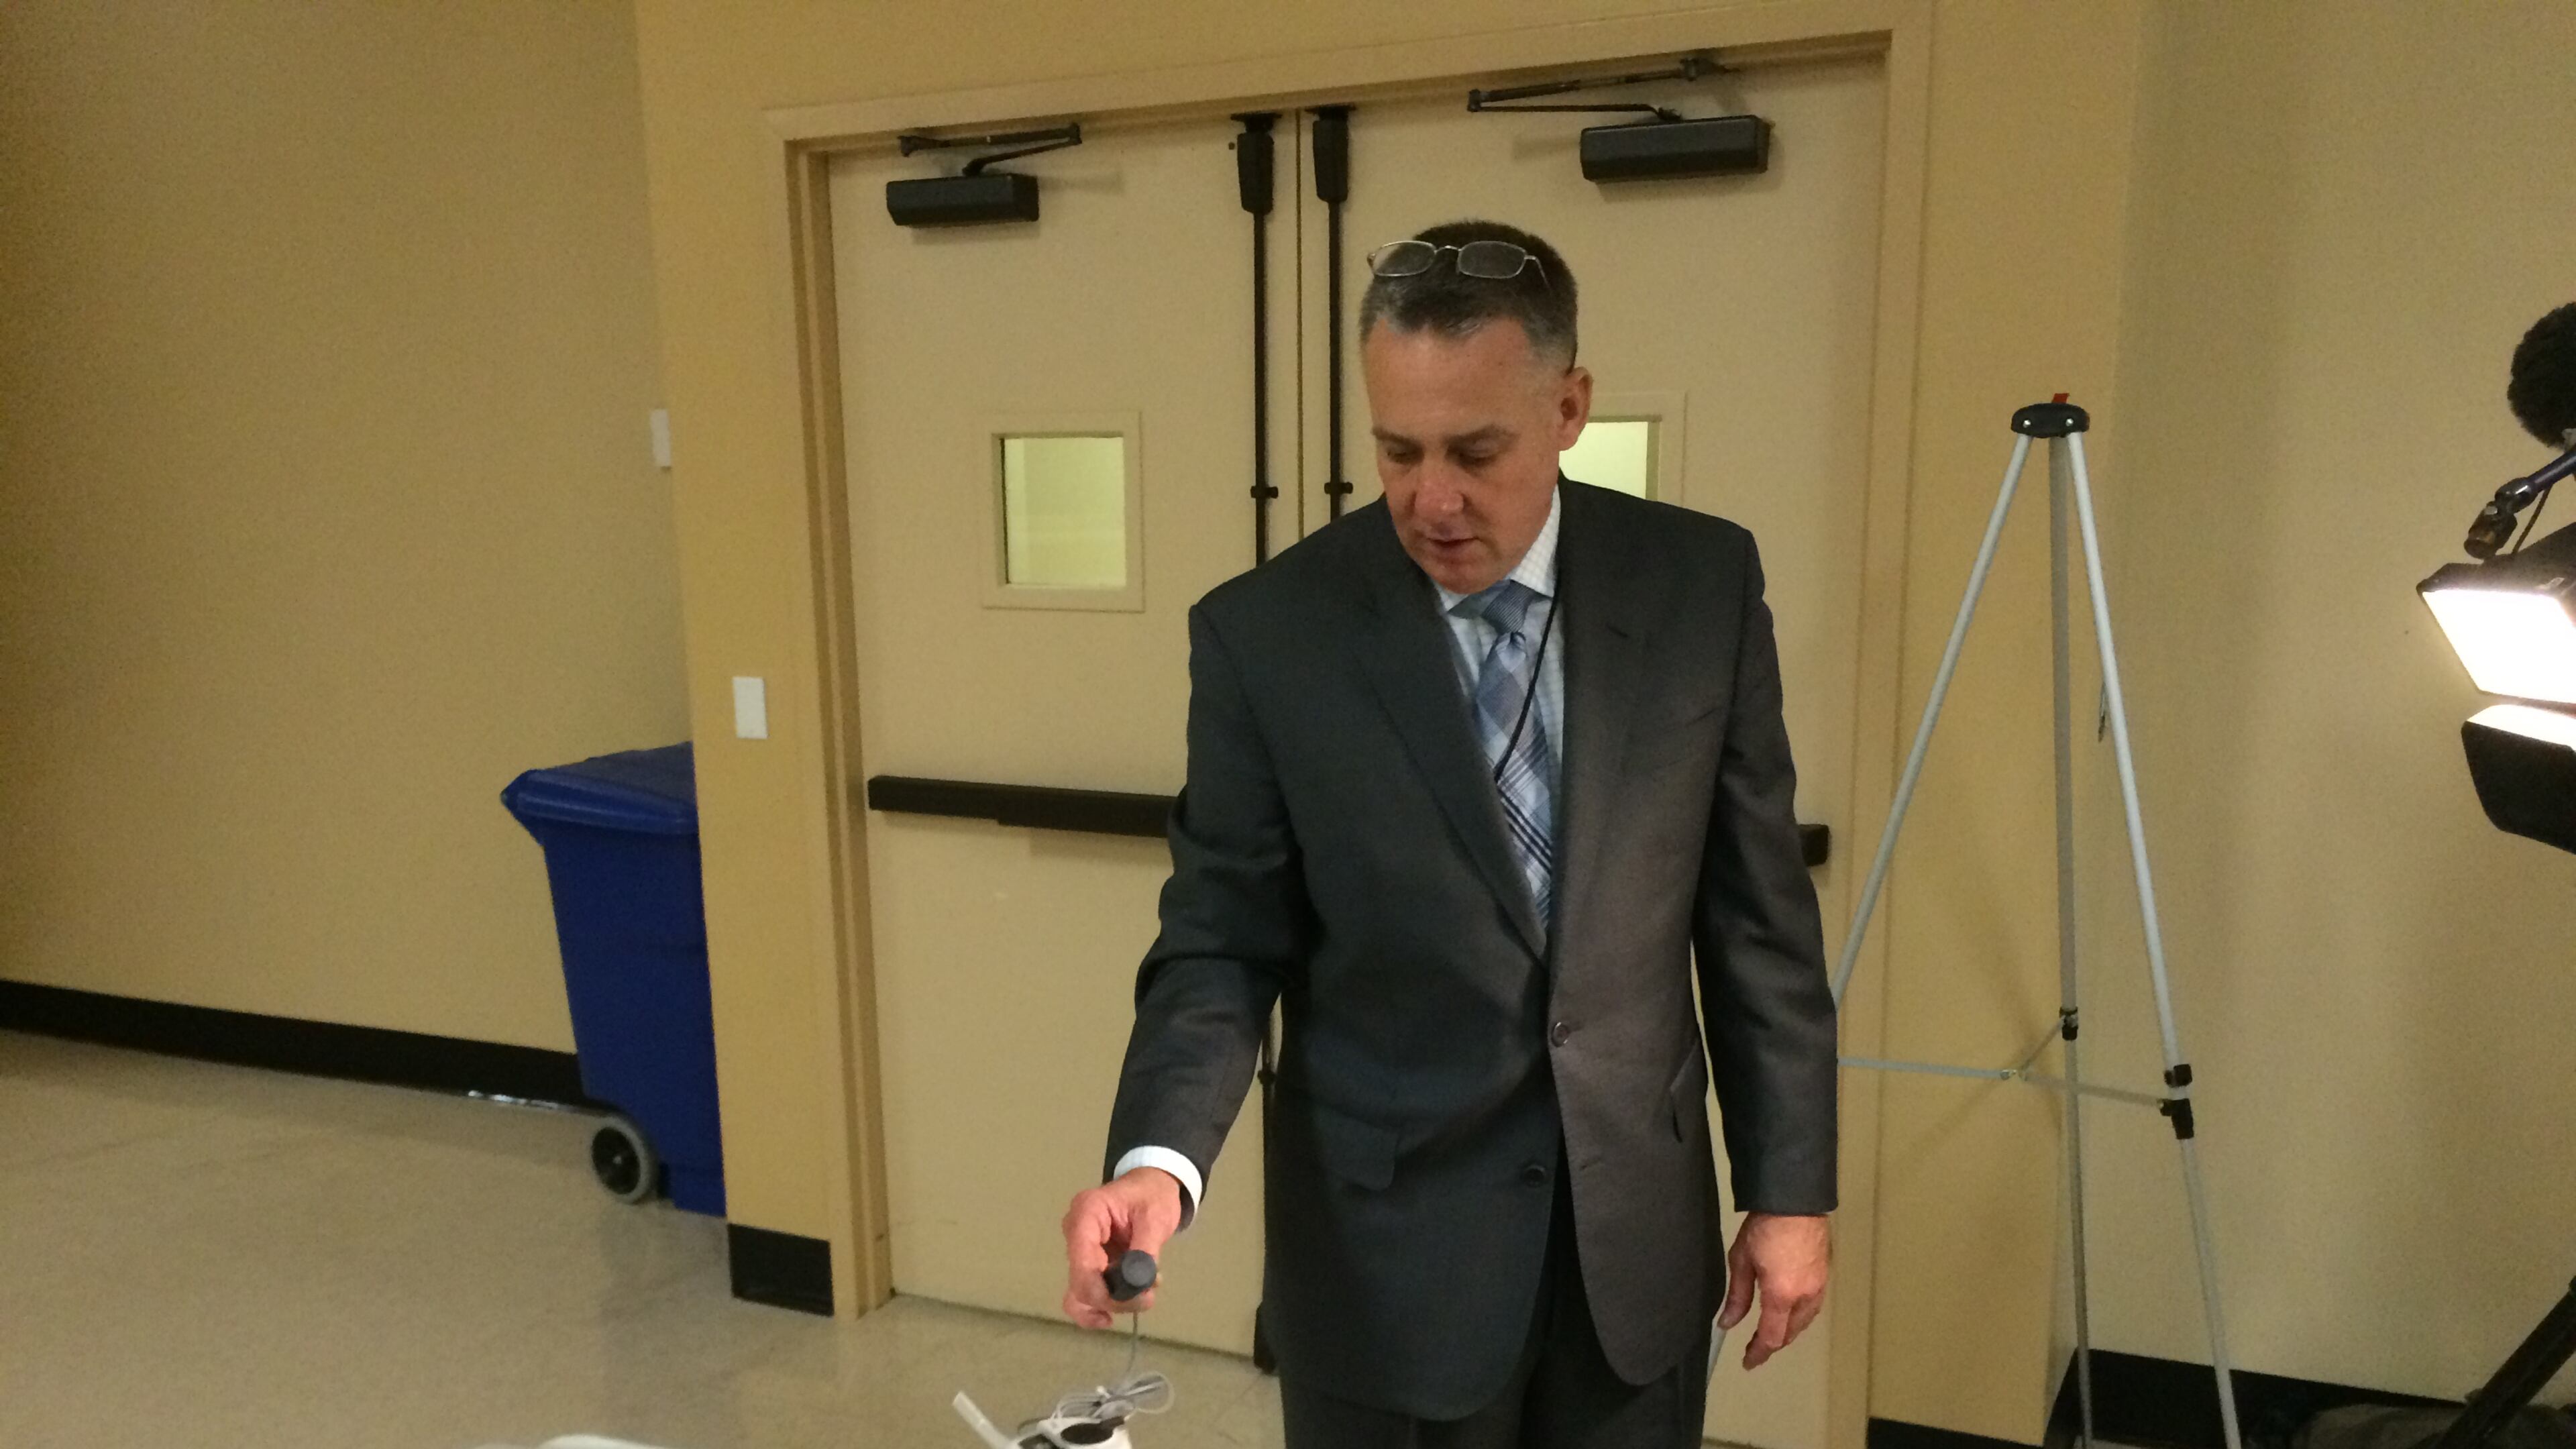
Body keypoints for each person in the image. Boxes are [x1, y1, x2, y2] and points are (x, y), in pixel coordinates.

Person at [1059, 217, 1839, 1449]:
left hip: (1631, 1252)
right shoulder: (1270, 635)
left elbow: (1757, 922)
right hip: (1385, 1269)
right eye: (1397, 449)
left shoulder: (1699, 587)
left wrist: (1789, 1192)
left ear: (1570, 406)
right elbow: (1220, 939)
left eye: (1477, 450)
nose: (1433, 498)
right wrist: (1161, 1159)